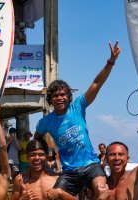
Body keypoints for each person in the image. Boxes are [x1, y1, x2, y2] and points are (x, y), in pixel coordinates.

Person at [34, 41, 121, 199]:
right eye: (55, 96)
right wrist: (47, 156)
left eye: (62, 95)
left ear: (68, 97)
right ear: (50, 99)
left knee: (102, 191)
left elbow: (97, 83)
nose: (59, 98)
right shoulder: (45, 122)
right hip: (69, 171)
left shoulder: (78, 107)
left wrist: (111, 61)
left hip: (91, 165)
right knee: (53, 195)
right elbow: (37, 139)